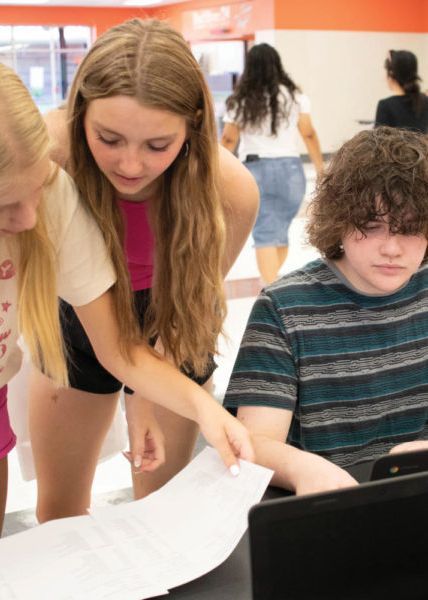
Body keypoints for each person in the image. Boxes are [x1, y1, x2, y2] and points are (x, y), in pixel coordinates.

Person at [0, 50, 253, 565]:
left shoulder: (53, 196)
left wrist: (204, 410)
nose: (30, 217)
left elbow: (119, 349)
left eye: (35, 189)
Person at [34, 18, 259, 519]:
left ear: (194, 126)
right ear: (79, 114)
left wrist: (143, 394)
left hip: (172, 317)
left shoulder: (230, 191)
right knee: (61, 509)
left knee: (163, 509)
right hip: (76, 312)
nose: (131, 166)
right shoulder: (47, 155)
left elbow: (193, 300)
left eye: (158, 146)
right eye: (108, 139)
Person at [224, 127, 428, 496]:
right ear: (339, 220)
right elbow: (254, 440)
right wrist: (306, 470)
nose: (392, 248)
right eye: (372, 227)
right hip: (326, 504)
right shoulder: (285, 308)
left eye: (410, 229)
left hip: (423, 497)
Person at [220, 43, 323, 285]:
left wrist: (212, 169)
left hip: (256, 171)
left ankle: (271, 289)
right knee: (279, 232)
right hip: (291, 171)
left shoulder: (241, 99)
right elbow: (308, 133)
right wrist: (320, 167)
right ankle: (273, 284)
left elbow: (228, 138)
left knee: (266, 234)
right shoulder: (295, 96)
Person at [374, 50, 428, 148]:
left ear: (390, 74)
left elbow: (379, 145)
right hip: (421, 160)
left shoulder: (385, 106)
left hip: (393, 162)